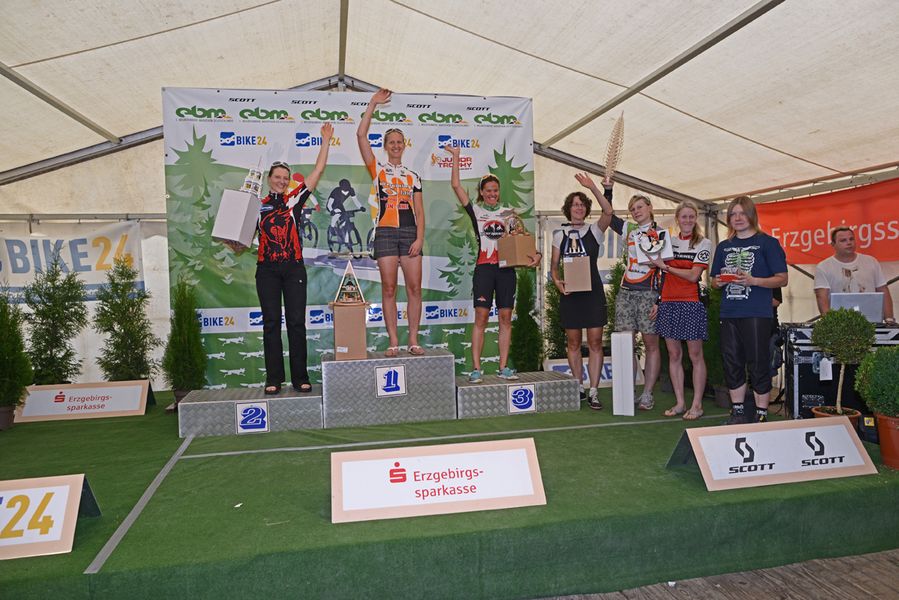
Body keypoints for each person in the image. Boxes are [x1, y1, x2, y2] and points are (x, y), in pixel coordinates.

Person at [444, 145, 541, 383]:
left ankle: (503, 367)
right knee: (481, 317)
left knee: (506, 317)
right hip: (484, 269)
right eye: (488, 190)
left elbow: (521, 239)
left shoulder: (509, 212)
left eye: (495, 190)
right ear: (481, 192)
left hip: (505, 270)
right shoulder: (476, 210)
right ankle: (476, 369)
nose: (492, 194)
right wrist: (456, 158)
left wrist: (535, 255)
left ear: (499, 192)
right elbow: (456, 186)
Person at [255, 123, 333, 395]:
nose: (281, 181)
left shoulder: (294, 200)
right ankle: (273, 378)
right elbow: (242, 239)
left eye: (285, 178)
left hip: (293, 269)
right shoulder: (257, 205)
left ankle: (300, 377)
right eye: (277, 177)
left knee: (296, 323)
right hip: (266, 270)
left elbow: (317, 171)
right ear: (269, 179)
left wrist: (325, 141)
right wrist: (234, 242)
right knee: (271, 324)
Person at [357, 89, 425, 357]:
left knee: (414, 288)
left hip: (410, 233)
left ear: (404, 145)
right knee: (388, 288)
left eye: (399, 142)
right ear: (385, 146)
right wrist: (372, 104)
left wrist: (420, 238)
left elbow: (420, 211)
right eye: (391, 142)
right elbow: (361, 136)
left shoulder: (413, 176)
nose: (396, 145)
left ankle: (414, 340)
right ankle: (394, 341)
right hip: (385, 231)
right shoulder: (377, 170)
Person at [710, 196, 788, 424]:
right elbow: (713, 281)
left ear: (751, 215)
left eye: (742, 213)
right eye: (733, 214)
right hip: (729, 312)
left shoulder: (768, 243)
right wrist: (719, 282)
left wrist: (754, 281)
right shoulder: (724, 247)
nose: (738, 218)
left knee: (758, 362)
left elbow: (782, 279)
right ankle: (738, 411)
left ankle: (761, 413)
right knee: (732, 361)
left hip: (757, 313)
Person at [550, 173, 614, 409]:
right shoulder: (559, 234)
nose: (578, 208)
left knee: (595, 342)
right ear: (568, 209)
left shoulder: (594, 230)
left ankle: (594, 391)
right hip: (570, 295)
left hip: (592, 293)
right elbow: (553, 267)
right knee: (573, 342)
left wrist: (594, 188)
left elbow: (608, 211)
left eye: (582, 204)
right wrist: (557, 282)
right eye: (574, 204)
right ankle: (578, 386)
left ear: (586, 209)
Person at [648, 201, 712, 420]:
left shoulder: (704, 243)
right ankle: (680, 403)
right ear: (677, 219)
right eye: (684, 217)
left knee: (695, 355)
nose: (687, 220)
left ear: (696, 219)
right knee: (674, 355)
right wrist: (658, 300)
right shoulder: (668, 242)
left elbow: (694, 276)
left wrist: (665, 266)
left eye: (691, 216)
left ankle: (697, 405)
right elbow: (656, 269)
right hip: (668, 303)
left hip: (691, 302)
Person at [607, 194, 663, 411]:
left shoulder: (660, 233)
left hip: (649, 292)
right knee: (624, 343)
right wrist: (608, 190)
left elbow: (666, 270)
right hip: (626, 292)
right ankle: (627, 391)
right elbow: (609, 216)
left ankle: (647, 393)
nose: (636, 211)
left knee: (651, 345)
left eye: (639, 207)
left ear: (650, 207)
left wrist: (660, 299)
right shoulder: (630, 229)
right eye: (632, 209)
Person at [813, 226, 895, 323]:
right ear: (833, 244)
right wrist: (830, 323)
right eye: (843, 240)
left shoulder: (871, 261)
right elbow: (822, 297)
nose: (849, 243)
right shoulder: (823, 267)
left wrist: (889, 319)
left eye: (851, 239)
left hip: (871, 322)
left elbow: (883, 290)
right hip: (840, 324)